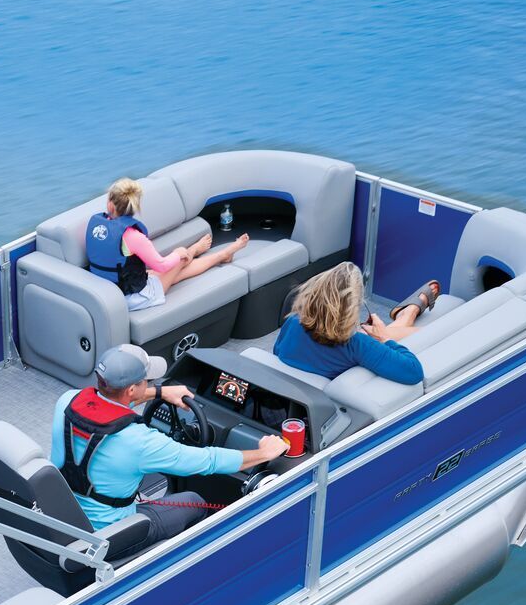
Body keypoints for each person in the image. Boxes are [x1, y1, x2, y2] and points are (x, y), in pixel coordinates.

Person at [57, 343, 288, 547]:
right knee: (195, 502)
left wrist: (160, 392)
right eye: (146, 380)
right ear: (131, 389)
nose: (150, 382)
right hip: (112, 534)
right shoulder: (141, 442)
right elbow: (208, 461)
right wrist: (263, 452)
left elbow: (111, 402)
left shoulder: (67, 401)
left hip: (67, 512)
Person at [86, 178, 248, 313]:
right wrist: (178, 253)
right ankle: (217, 253)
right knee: (181, 261)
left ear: (110, 205)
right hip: (136, 298)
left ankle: (203, 252)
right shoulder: (133, 237)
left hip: (112, 293)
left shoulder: (96, 225)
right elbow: (162, 265)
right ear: (134, 207)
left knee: (176, 274)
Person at [273, 262, 435, 384]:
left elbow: (277, 352)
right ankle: (408, 313)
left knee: (369, 334)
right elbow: (414, 372)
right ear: (352, 308)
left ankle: (406, 314)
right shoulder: (358, 345)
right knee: (390, 333)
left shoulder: (293, 322)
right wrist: (385, 338)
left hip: (290, 399)